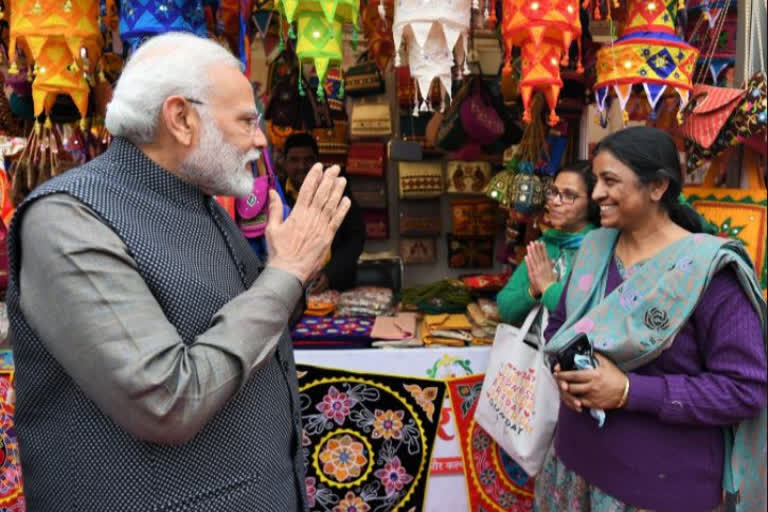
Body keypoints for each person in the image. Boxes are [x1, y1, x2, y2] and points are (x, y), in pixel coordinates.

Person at [6, 33, 351, 511]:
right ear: (181, 119)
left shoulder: (201, 204)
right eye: (247, 121)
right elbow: (167, 400)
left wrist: (283, 268)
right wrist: (286, 271)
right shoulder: (67, 220)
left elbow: (246, 330)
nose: (260, 138)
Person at [537, 127, 767, 512]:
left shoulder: (708, 273)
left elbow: (743, 389)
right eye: (596, 181)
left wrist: (628, 391)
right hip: (572, 468)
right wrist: (565, 375)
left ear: (658, 186)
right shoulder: (595, 248)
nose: (595, 195)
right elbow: (559, 327)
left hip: (655, 490)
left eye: (610, 181)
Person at [497, 160, 599, 324]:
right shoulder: (547, 243)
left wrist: (547, 286)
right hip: (539, 348)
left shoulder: (600, 248)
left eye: (568, 195)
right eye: (554, 192)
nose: (555, 201)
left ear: (593, 202)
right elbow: (505, 307)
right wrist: (533, 291)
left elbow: (585, 313)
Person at [281, 132, 365, 293]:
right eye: (294, 160)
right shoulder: (275, 194)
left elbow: (356, 236)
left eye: (308, 160)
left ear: (317, 162)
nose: (301, 166)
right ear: (284, 163)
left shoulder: (337, 190)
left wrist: (330, 274)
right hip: (289, 288)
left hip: (335, 287)